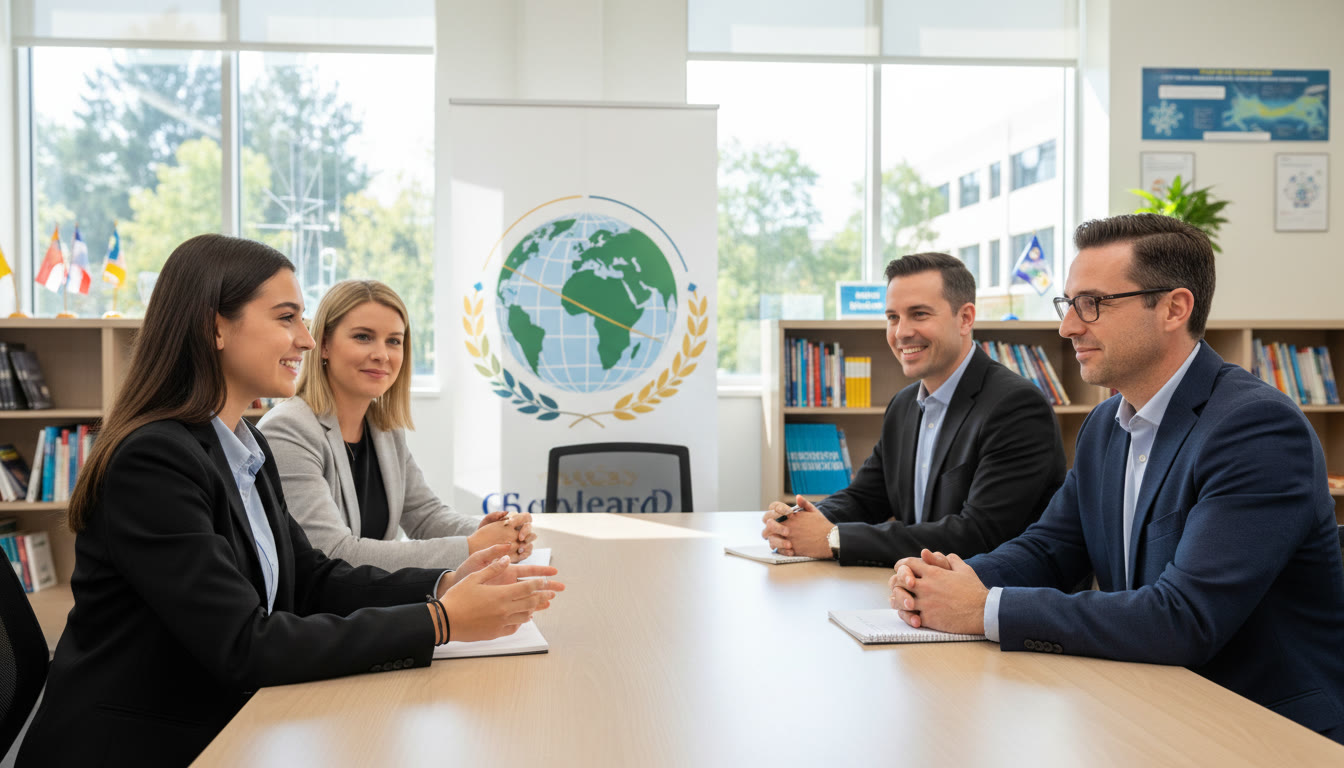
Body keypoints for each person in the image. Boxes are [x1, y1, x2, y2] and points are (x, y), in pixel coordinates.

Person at [18, 235, 563, 767]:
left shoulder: (243, 445)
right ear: (215, 327)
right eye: (287, 318)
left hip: (226, 721)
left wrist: (444, 583)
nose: (305, 339)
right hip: (146, 744)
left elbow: (312, 579)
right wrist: (440, 621)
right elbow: (243, 644)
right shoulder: (155, 461)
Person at [889, 214, 1344, 743]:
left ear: (1174, 308)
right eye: (1068, 304)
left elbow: (1185, 618)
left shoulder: (1256, 429)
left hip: (1261, 727)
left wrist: (985, 608)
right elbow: (1050, 549)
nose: (1068, 327)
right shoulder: (1106, 424)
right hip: (1148, 704)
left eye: (1093, 304)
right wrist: (945, 579)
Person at [761, 252, 1065, 567]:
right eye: (893, 317)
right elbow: (865, 498)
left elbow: (978, 535)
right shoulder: (903, 405)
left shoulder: (1016, 407)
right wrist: (798, 522)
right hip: (915, 590)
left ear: (965, 318)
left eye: (918, 314)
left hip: (990, 601)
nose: (901, 332)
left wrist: (833, 539)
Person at [259, 279, 533, 571]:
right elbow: (332, 554)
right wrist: (471, 547)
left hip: (371, 606)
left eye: (394, 341)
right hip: (318, 612)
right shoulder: (288, 429)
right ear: (323, 344)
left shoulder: (383, 429)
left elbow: (424, 515)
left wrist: (492, 532)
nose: (382, 354)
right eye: (363, 337)